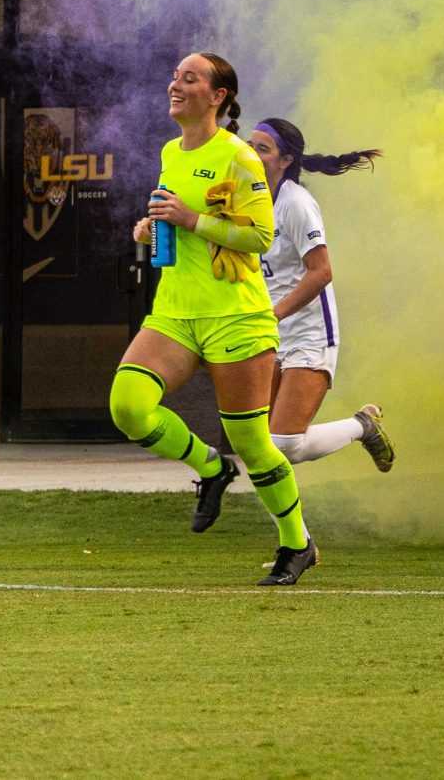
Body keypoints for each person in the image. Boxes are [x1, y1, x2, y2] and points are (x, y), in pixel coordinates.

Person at [108, 51, 319, 586]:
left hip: (235, 314)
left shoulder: (240, 157)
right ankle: (209, 467)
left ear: (218, 96)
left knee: (251, 440)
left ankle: (297, 544)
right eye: (175, 76)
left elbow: (259, 237)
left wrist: (191, 218)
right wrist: (153, 229)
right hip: (176, 311)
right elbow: (177, 221)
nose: (175, 84)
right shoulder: (169, 151)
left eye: (190, 78)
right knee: (128, 406)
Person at [244, 118, 395, 473]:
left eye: (262, 149)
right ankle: (292, 529)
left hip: (308, 334)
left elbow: (321, 272)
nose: (252, 154)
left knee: (284, 447)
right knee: (260, 445)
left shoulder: (296, 204)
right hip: (268, 333)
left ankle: (363, 426)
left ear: (285, 161)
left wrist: (275, 313)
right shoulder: (246, 199)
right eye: (249, 146)